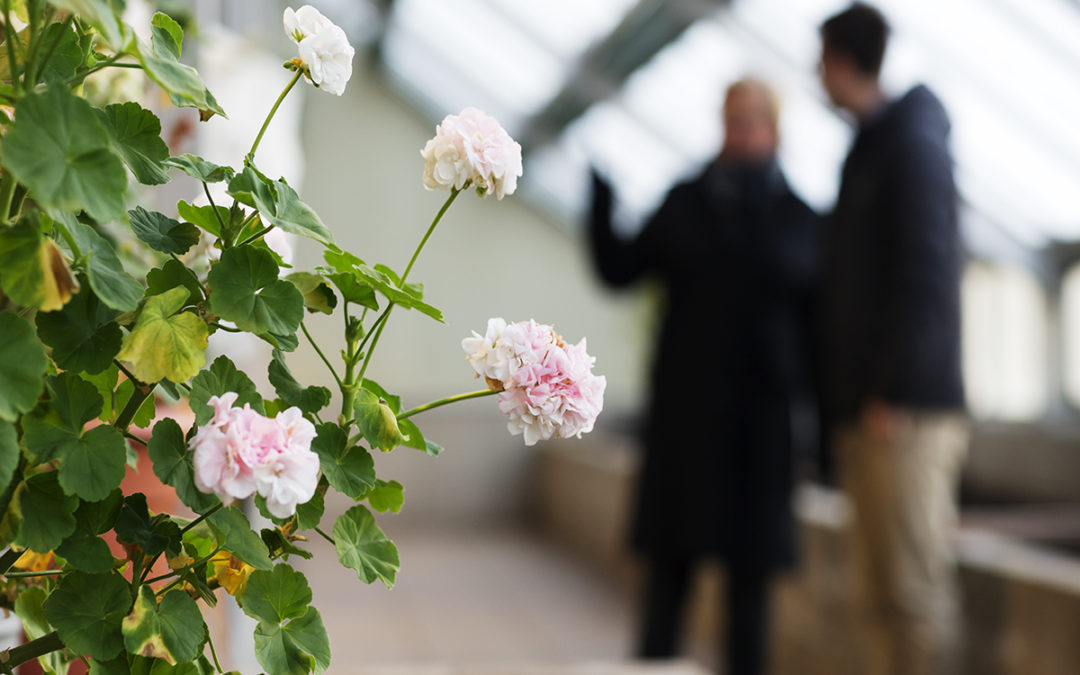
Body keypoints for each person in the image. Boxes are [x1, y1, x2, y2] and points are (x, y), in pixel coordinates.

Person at [587, 78, 818, 675]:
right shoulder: (685, 201)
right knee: (666, 579)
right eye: (731, 118)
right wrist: (602, 200)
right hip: (685, 423)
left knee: (750, 595)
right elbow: (620, 269)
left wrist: (820, 431)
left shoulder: (799, 220)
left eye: (752, 120)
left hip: (760, 431)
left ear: (774, 129)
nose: (739, 131)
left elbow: (820, 334)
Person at [817, 5, 968, 675]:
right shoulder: (871, 147)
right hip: (869, 407)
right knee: (878, 593)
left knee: (912, 589)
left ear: (843, 61)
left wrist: (889, 390)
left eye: (821, 60)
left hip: (903, 411)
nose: (816, 76)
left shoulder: (912, 147)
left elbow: (924, 276)